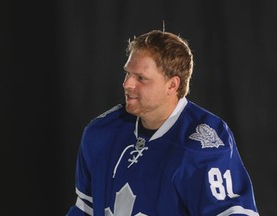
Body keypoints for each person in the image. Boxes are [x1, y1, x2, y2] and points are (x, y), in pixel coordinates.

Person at [66, 30, 259, 215]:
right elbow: (85, 209)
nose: (127, 84)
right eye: (128, 73)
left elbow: (233, 213)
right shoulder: (101, 132)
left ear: (172, 85)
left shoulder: (203, 142)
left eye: (141, 78)